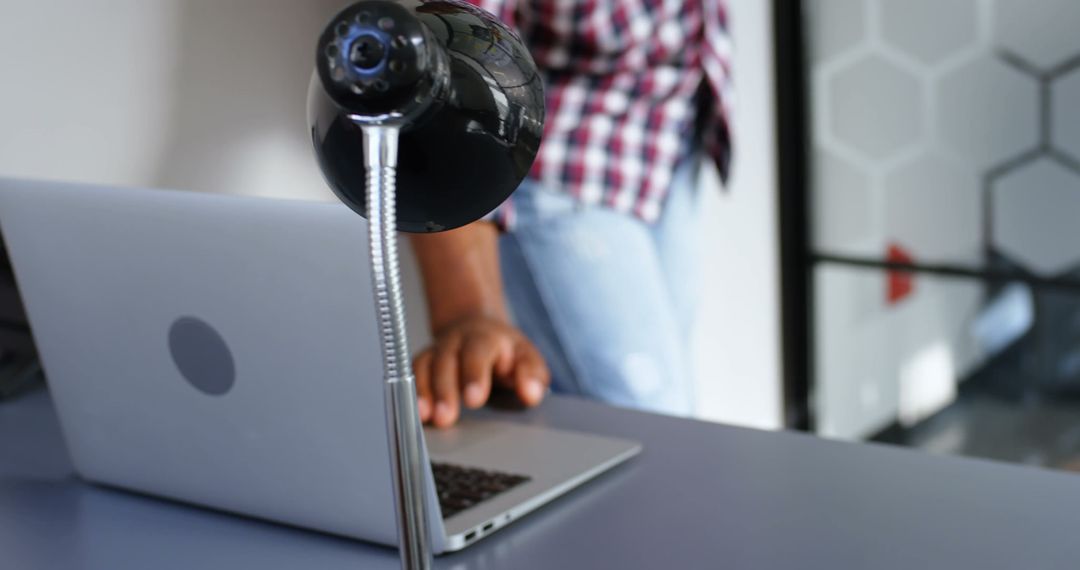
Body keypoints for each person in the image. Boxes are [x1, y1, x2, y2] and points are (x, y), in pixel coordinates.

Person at [410, 0, 733, 428]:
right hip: (565, 169)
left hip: (671, 145)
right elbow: (447, 73)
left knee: (662, 411)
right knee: (654, 424)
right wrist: (468, 313)